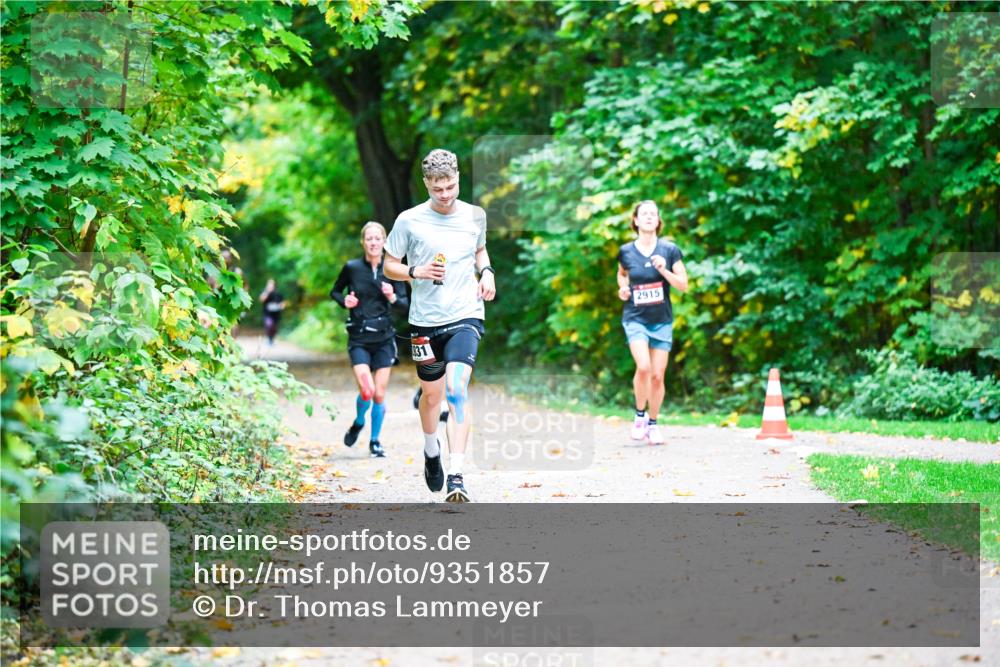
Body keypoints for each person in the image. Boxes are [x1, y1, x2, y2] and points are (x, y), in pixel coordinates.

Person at [383, 149, 496, 503]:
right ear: (426, 184)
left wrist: (488, 272)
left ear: (458, 178)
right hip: (425, 320)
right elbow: (389, 266)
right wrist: (416, 271)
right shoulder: (409, 221)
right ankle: (431, 448)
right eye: (437, 189)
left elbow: (480, 251)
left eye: (450, 186)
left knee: (457, 390)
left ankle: (458, 474)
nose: (445, 195)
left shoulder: (475, 216)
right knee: (431, 396)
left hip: (465, 314)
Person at [330, 222, 409, 458]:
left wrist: (392, 296)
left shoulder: (393, 270)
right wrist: (344, 301)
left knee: (379, 394)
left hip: (384, 339)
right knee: (367, 390)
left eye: (378, 238)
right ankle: (358, 421)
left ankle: (375, 441)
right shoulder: (352, 268)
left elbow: (405, 305)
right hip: (359, 338)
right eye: (369, 239)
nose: (374, 243)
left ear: (385, 242)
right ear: (363, 242)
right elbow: (335, 291)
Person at [616, 200, 688, 445]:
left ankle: (653, 423)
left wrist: (664, 270)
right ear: (635, 220)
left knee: (658, 376)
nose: (648, 217)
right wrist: (623, 289)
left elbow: (683, 285)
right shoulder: (626, 251)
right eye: (643, 214)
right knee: (644, 367)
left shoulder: (669, 250)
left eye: (653, 214)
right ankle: (639, 415)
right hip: (635, 318)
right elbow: (622, 274)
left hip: (661, 321)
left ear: (658, 221)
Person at [259, 279, 286, 346]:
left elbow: (283, 303)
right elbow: (261, 299)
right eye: (269, 284)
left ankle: (271, 339)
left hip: (276, 314)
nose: (270, 286)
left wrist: (281, 306)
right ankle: (269, 339)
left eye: (272, 284)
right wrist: (268, 292)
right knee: (269, 325)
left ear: (274, 285)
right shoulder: (264, 292)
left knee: (274, 328)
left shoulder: (278, 293)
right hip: (267, 314)